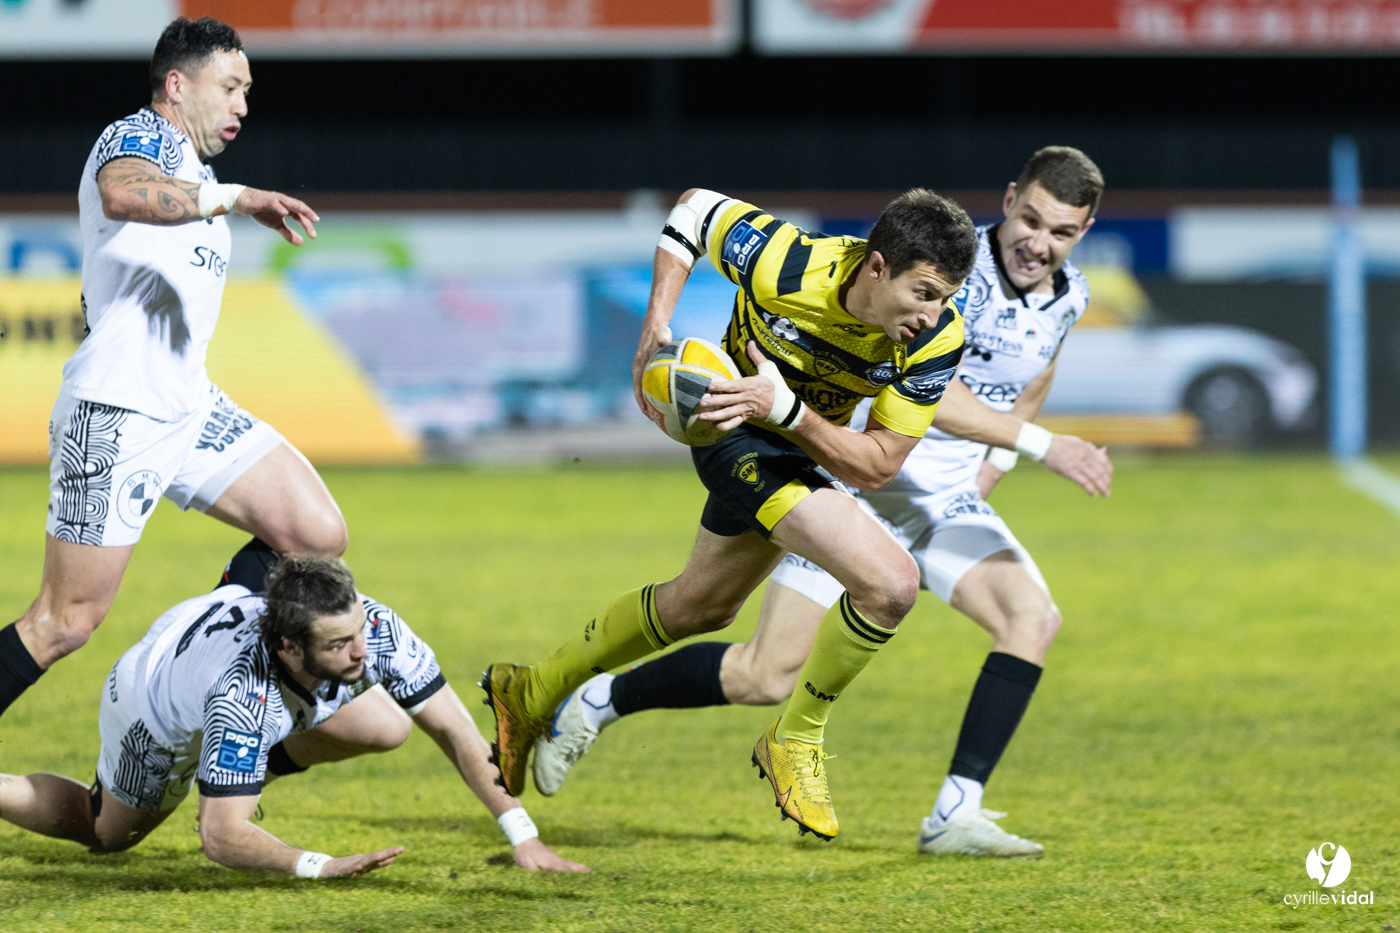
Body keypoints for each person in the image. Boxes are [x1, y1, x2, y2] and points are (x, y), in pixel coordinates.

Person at [533, 147, 1113, 858]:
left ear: (1084, 232)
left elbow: (1035, 376)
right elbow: (939, 398)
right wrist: (1040, 444)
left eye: (1062, 232)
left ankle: (955, 812)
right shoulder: (953, 277)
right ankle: (600, 699)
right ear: (1010, 198)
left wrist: (994, 466)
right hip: (856, 479)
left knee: (1033, 618)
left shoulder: (1068, 297)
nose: (1039, 243)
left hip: (939, 496)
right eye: (1031, 221)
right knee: (763, 674)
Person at [483, 185, 979, 843]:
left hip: (798, 437)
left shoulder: (937, 337)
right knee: (889, 584)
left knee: (701, 607)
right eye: (924, 293)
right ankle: (795, 739)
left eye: (946, 297)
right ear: (878, 266)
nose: (933, 313)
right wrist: (656, 323)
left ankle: (532, 689)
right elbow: (693, 210)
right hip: (730, 427)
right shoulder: (789, 263)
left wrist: (789, 412)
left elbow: (878, 463)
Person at [0, 17, 347, 722]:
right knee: (64, 621)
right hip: (116, 410)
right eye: (230, 86)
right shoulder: (142, 136)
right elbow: (122, 192)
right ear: (178, 85)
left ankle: (204, 659)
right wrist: (239, 197)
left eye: (247, 90)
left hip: (189, 406)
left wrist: (223, 194)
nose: (242, 103)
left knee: (314, 534)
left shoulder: (198, 175)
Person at [0, 548, 589, 877]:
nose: (361, 653)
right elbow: (220, 838)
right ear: (288, 646)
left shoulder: (375, 631)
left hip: (221, 631)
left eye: (358, 632)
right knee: (107, 834)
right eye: (339, 645)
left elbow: (458, 731)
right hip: (150, 699)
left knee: (388, 724)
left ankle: (241, 774)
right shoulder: (242, 696)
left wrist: (524, 838)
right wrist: (318, 866)